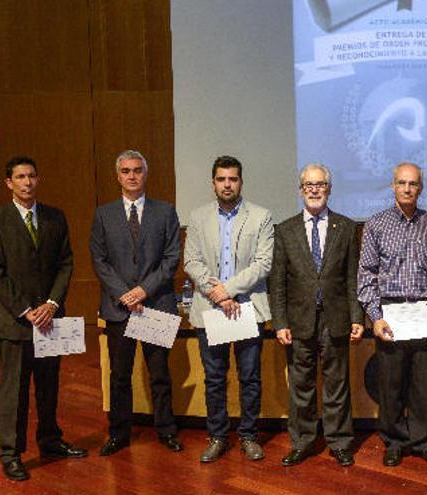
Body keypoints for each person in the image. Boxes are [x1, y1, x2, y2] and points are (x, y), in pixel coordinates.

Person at [0, 156, 87, 481]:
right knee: (14, 392)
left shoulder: (55, 217)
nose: (27, 182)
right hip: (17, 323)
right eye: (20, 177)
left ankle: (50, 440)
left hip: (51, 321)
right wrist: (27, 310)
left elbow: (65, 263)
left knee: (48, 386)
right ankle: (11, 454)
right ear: (8, 183)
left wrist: (53, 303)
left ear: (38, 180)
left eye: (31, 176)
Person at [269, 163, 364, 467]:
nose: (314, 190)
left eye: (320, 184)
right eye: (308, 185)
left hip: (336, 319)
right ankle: (303, 441)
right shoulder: (284, 231)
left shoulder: (347, 228)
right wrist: (280, 322)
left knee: (337, 385)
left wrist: (357, 317)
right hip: (298, 322)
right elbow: (278, 284)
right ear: (301, 190)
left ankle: (339, 441)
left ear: (329, 189)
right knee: (301, 386)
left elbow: (353, 278)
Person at [357, 162, 427, 467]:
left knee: (422, 384)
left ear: (420, 188)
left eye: (413, 184)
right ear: (393, 186)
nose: (407, 189)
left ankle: (423, 441)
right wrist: (375, 315)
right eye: (402, 183)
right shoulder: (375, 225)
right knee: (392, 384)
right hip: (391, 316)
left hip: (425, 314)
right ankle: (395, 440)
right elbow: (366, 274)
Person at [89, 150, 183, 457]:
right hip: (119, 309)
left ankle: (166, 431)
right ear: (118, 176)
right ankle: (118, 434)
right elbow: (99, 261)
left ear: (146, 173)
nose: (132, 176)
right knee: (119, 375)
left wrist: (142, 290)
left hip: (155, 304)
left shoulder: (166, 211)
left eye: (137, 170)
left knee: (159, 374)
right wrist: (124, 294)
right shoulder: (103, 214)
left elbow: (171, 260)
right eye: (126, 171)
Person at [184, 155, 273, 463]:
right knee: (214, 378)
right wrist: (218, 295)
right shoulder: (196, 218)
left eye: (232, 179)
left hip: (247, 308)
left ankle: (248, 436)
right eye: (221, 179)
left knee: (250, 376)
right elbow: (191, 262)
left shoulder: (261, 216)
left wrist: (230, 290)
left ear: (240, 182)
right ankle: (218, 435)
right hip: (210, 309)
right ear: (213, 183)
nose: (227, 184)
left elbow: (263, 264)